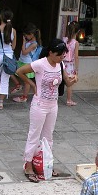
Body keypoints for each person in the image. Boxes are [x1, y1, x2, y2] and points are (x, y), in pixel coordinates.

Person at [16, 38, 78, 182]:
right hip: (39, 106)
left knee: (48, 137)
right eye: (60, 54)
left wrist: (74, 79)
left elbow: (67, 82)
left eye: (63, 55)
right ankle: (28, 165)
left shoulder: (60, 64)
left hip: (53, 105)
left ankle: (45, 163)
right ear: (51, 53)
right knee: (34, 135)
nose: (62, 57)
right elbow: (20, 71)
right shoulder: (40, 64)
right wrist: (32, 85)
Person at [11, 23, 42, 103]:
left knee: (26, 81)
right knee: (11, 71)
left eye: (26, 35)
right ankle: (18, 85)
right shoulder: (30, 42)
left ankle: (24, 97)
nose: (25, 37)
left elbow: (24, 52)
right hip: (22, 61)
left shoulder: (34, 44)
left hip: (27, 63)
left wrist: (23, 42)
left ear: (31, 34)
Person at [63, 21, 80, 106]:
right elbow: (76, 57)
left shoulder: (64, 40)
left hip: (62, 63)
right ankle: (69, 100)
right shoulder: (76, 43)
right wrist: (76, 69)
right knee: (69, 84)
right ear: (77, 32)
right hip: (70, 65)